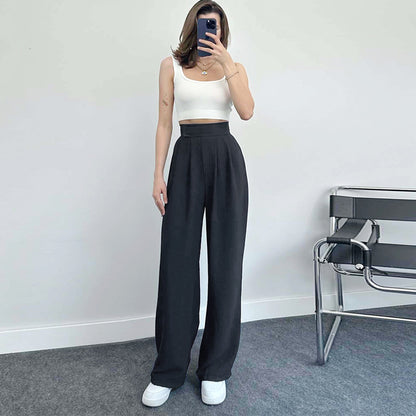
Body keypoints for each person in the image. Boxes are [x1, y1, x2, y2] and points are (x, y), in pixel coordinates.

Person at [142, 0, 254, 407]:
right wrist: (158, 174)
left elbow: (246, 112)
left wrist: (226, 63)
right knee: (177, 263)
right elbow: (164, 122)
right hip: (186, 158)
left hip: (226, 159)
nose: (213, 31)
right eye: (207, 24)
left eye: (218, 26)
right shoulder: (170, 66)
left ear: (223, 31)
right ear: (194, 26)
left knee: (226, 263)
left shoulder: (234, 67)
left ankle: (215, 369)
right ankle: (169, 370)